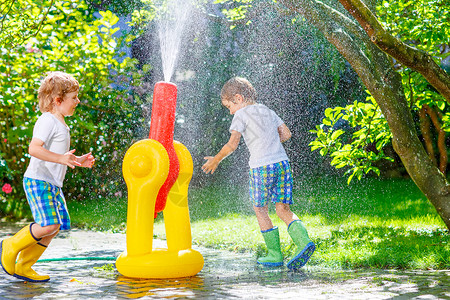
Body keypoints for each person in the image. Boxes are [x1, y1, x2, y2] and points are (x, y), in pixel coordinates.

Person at [202, 77, 315, 270]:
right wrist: (269, 140)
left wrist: (216, 159)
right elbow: (286, 134)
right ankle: (304, 242)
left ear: (238, 98)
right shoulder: (267, 111)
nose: (230, 111)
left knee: (260, 209)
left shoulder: (241, 115)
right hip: (282, 164)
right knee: (283, 210)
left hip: (261, 168)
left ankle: (274, 254)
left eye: (229, 106)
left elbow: (232, 144)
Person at [0, 71, 95, 282]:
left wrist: (78, 160)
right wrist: (62, 159)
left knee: (55, 226)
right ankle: (10, 245)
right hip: (38, 181)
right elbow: (34, 149)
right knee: (49, 225)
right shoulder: (48, 121)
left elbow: (59, 156)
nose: (78, 101)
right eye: (74, 98)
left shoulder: (60, 122)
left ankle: (24, 266)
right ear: (58, 100)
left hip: (52, 184)